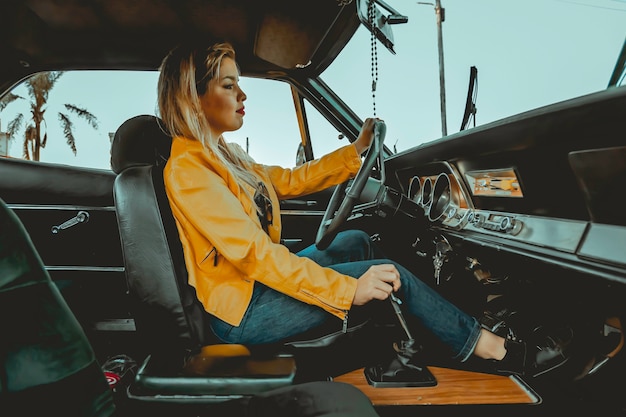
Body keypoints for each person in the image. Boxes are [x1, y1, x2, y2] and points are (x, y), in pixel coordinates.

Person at [156, 40, 571, 378]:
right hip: (243, 313)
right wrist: (349, 289)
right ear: (194, 98)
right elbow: (254, 255)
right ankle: (500, 352)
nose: (242, 94)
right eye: (229, 85)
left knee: (355, 241)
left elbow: (287, 180)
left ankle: (420, 333)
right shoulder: (189, 170)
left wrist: (354, 153)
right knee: (392, 278)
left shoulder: (224, 156)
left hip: (255, 288)